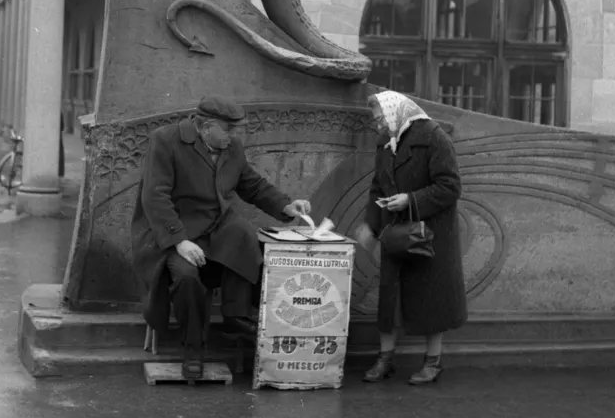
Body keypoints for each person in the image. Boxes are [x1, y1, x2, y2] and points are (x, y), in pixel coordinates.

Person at [132, 94, 312, 380]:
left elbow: (251, 184)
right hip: (172, 232)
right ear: (206, 127)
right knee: (187, 277)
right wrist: (179, 241)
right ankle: (193, 350)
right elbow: (155, 197)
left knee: (242, 234)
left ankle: (235, 317)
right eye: (229, 130)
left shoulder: (231, 147)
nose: (235, 135)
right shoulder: (165, 141)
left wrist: (286, 206)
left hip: (215, 227)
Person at [356, 91, 466, 386]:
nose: (376, 123)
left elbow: (450, 186)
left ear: (393, 111)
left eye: (379, 116)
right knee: (389, 298)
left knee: (432, 298)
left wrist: (411, 200)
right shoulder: (386, 140)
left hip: (429, 234)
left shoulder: (434, 137)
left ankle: (433, 362)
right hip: (395, 231)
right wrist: (371, 224)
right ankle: (386, 358)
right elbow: (377, 186)